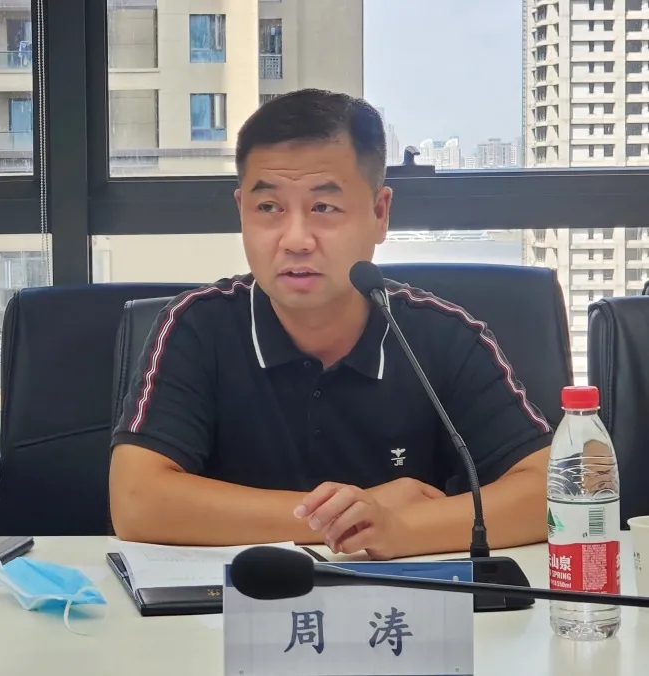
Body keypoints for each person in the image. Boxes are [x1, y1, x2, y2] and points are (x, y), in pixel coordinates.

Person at [109, 88, 552, 560]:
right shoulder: (197, 326)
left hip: (406, 604)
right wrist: (357, 518)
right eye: (268, 208)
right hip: (239, 601)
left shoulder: (441, 336)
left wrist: (403, 529)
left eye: (324, 208)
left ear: (379, 214)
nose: (296, 240)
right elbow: (137, 500)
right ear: (241, 211)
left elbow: (563, 487)